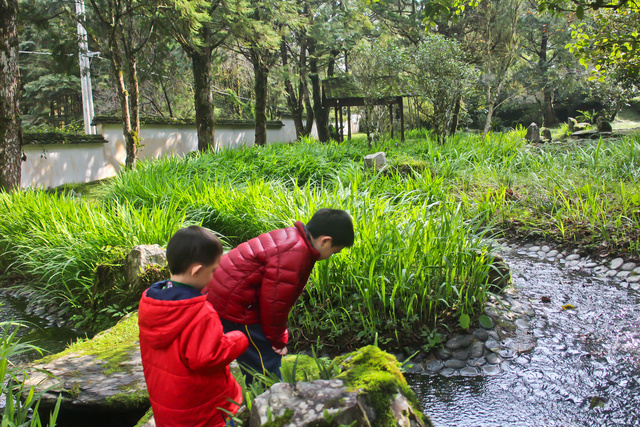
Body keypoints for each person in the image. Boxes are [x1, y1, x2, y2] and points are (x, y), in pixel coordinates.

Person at [206, 208, 354, 384]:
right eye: (334, 251)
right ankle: (270, 402)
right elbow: (275, 304)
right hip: (237, 305)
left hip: (224, 293)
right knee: (263, 358)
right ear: (325, 241)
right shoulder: (295, 254)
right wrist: (278, 339)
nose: (331, 256)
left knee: (257, 352)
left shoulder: (293, 237)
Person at [138, 226, 249, 427]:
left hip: (169, 412)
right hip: (205, 414)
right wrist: (239, 339)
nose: (215, 275)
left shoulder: (151, 303)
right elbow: (208, 357)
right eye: (213, 270)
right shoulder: (201, 313)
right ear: (197, 271)